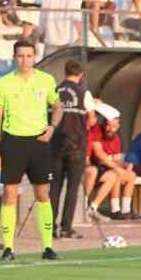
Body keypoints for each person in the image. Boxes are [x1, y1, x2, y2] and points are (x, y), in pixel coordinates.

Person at [0, 38, 61, 261]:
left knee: (42, 193)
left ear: (35, 57)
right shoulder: (3, 83)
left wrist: (52, 126)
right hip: (12, 143)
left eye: (29, 56)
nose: (25, 60)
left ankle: (48, 247)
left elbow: (58, 106)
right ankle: (8, 248)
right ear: (14, 57)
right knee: (10, 193)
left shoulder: (46, 80)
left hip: (39, 143)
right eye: (20, 56)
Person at [49, 59, 91, 239]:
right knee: (73, 188)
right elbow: (91, 119)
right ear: (81, 74)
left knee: (54, 187)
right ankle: (67, 227)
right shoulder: (84, 93)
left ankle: (50, 228)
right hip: (76, 144)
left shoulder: (54, 90)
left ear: (65, 72)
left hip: (55, 144)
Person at [86, 107, 133, 219]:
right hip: (96, 166)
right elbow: (99, 154)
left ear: (118, 126)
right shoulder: (96, 130)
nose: (110, 129)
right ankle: (114, 209)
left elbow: (117, 159)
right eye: (108, 125)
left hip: (106, 167)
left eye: (113, 126)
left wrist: (124, 165)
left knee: (131, 175)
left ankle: (125, 210)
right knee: (114, 173)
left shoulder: (116, 138)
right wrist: (116, 167)